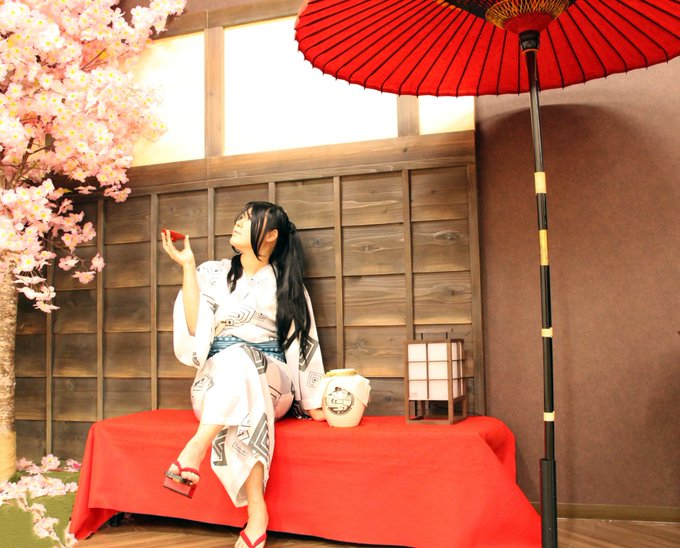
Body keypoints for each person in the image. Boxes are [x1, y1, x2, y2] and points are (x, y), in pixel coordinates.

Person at [160, 201, 326, 548]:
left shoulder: (287, 285)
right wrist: (188, 266)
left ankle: (196, 448)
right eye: (239, 217)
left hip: (273, 382)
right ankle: (257, 512)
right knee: (238, 368)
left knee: (243, 360)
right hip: (215, 382)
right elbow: (195, 328)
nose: (237, 222)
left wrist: (312, 399)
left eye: (248, 219)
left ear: (271, 235)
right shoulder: (212, 273)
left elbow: (303, 343)